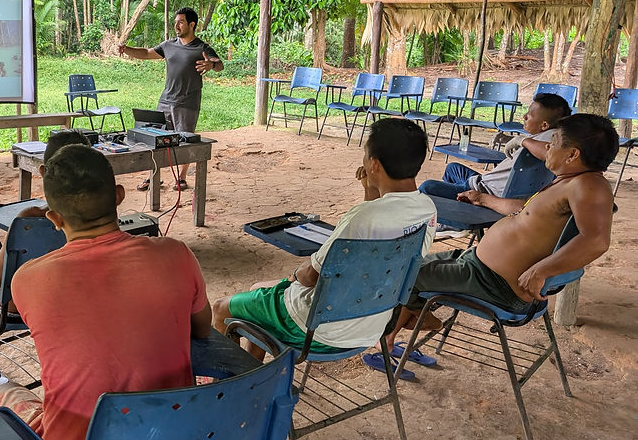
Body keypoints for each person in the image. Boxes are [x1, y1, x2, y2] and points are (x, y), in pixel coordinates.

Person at [0, 144, 211, 440]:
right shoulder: (177, 254)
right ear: (119, 197)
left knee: (1, 393)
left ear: (54, 219)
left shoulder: (28, 280)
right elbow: (202, 330)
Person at [212, 118, 437, 365]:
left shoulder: (361, 218)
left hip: (317, 330)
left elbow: (311, 276)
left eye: (365, 155)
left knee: (222, 308)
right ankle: (254, 376)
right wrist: (370, 192)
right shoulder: (427, 210)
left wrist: (293, 277)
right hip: (372, 325)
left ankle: (230, 386)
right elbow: (378, 224)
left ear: (374, 164)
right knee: (258, 291)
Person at [386, 113, 617, 349]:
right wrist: (483, 198)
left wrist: (541, 271)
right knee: (407, 267)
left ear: (572, 154)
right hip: (477, 268)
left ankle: (391, 339)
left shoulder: (589, 185)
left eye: (555, 141)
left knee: (402, 277)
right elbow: (524, 210)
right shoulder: (567, 182)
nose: (547, 146)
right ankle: (399, 331)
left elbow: (596, 240)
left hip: (493, 284)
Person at [0, 130, 90, 314]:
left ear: (44, 172)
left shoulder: (30, 218)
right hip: (67, 297)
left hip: (12, 305)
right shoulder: (99, 216)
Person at [119, 7, 223, 190]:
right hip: (166, 100)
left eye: (181, 22)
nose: (176, 25)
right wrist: (127, 49)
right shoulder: (168, 45)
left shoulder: (202, 47)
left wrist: (211, 64)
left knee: (185, 140)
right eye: (175, 22)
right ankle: (153, 176)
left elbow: (219, 64)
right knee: (156, 139)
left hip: (187, 103)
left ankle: (181, 178)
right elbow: (146, 53)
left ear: (192, 25)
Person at [420, 93, 572, 199]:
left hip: (484, 191)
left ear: (544, 125)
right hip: (482, 182)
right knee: (453, 168)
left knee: (427, 187)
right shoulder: (552, 136)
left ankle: (454, 222)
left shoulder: (550, 140)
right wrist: (513, 139)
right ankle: (456, 225)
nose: (524, 117)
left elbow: (553, 153)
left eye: (529, 115)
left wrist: (522, 140)